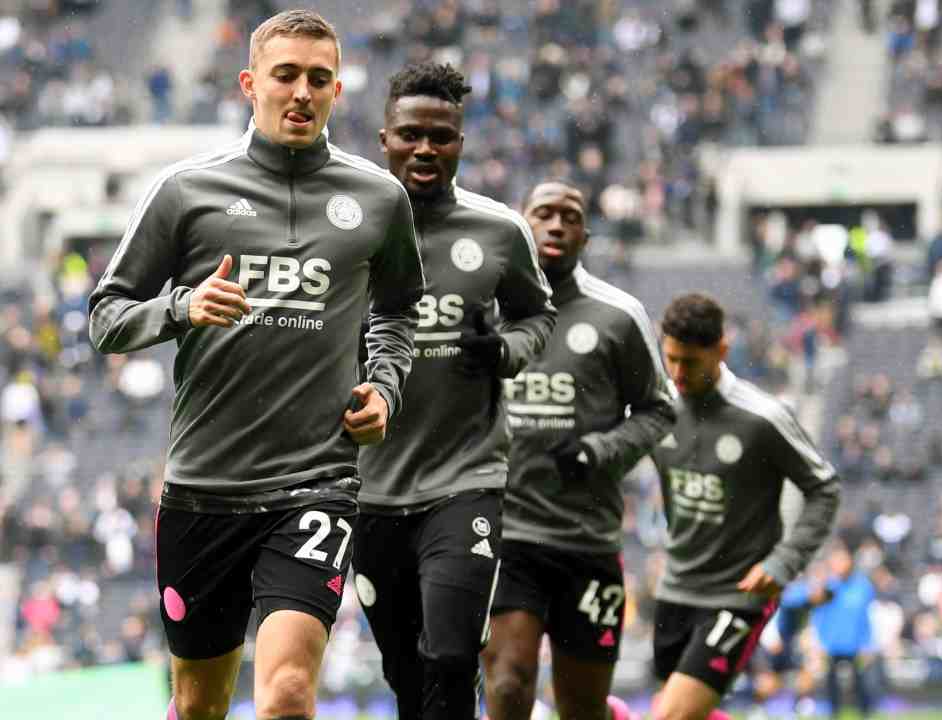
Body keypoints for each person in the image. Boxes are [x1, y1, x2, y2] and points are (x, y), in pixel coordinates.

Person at [87, 10, 425, 720]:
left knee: (289, 694)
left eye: (319, 79)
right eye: (286, 75)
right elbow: (106, 317)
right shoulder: (186, 190)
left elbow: (398, 313)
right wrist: (182, 307)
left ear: (338, 91)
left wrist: (385, 388)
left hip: (316, 484)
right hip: (203, 490)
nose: (302, 92)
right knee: (198, 706)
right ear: (249, 83)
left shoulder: (378, 198)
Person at [352, 62, 556, 720]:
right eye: (410, 135)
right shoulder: (347, 230)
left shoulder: (497, 231)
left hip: (465, 480)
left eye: (440, 137)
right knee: (406, 674)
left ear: (460, 144)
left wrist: (505, 350)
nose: (424, 149)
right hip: (369, 490)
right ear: (385, 139)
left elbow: (537, 316)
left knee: (451, 653)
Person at [482, 180, 676, 720]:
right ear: (521, 226)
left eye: (570, 216)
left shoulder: (618, 315)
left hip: (586, 539)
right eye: (544, 213)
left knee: (582, 707)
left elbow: (660, 410)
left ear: (586, 236)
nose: (557, 225)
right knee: (508, 682)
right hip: (505, 534)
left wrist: (599, 450)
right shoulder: (483, 308)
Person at [650, 293, 840, 720]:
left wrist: (784, 562)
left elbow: (824, 488)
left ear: (721, 351)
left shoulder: (762, 417)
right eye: (671, 359)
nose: (677, 373)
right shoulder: (658, 408)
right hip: (676, 588)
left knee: (671, 717)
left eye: (690, 362)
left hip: (739, 593)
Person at [809, 541, 879, 718]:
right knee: (831, 685)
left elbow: (868, 616)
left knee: (862, 684)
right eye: (836, 561)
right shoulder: (827, 586)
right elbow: (817, 613)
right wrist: (818, 643)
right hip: (831, 644)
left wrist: (868, 643)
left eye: (843, 560)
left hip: (856, 644)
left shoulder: (863, 586)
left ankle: (865, 714)